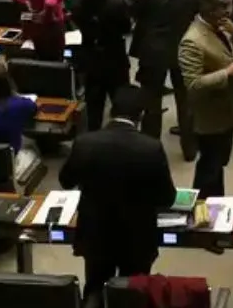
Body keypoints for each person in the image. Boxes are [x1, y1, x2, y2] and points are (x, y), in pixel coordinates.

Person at [61, 85, 177, 302]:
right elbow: (167, 198)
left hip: (95, 234)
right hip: (137, 238)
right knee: (133, 294)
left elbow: (66, 181)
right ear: (140, 115)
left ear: (112, 111)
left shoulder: (85, 143)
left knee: (94, 287)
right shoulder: (151, 147)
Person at [122, 0, 207, 151]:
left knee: (151, 100)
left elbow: (124, 6)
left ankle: (150, 147)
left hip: (152, 49)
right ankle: (189, 147)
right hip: (186, 48)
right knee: (186, 99)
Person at [178, 0, 233, 196]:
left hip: (228, 110)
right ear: (209, 10)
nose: (229, 11)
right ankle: (202, 207)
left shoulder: (222, 26)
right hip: (210, 118)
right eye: (224, 7)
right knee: (209, 168)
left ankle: (215, 205)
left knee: (217, 165)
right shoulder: (192, 41)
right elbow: (193, 84)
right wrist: (227, 73)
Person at [73, 0, 131, 132]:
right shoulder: (116, 4)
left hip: (91, 58)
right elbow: (126, 28)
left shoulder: (78, 5)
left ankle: (94, 138)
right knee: (122, 105)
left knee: (94, 108)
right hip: (115, 58)